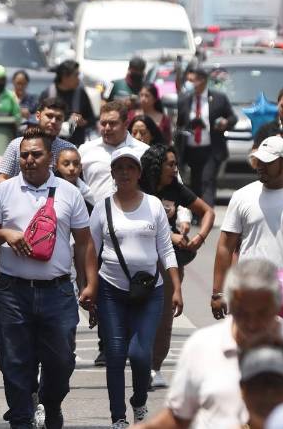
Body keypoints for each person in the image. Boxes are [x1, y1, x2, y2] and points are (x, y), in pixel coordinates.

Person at [0, 127, 98, 429]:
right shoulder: (3, 191)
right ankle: (21, 418)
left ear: (51, 158)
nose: (29, 160)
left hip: (57, 293)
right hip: (11, 293)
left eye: (36, 154)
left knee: (61, 362)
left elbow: (85, 242)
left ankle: (50, 402)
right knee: (15, 364)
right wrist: (5, 233)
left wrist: (90, 284)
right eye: (24, 155)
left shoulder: (69, 193)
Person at [133, 259, 283, 429]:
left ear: (278, 306)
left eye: (261, 313)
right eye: (242, 313)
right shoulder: (202, 346)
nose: (251, 323)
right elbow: (179, 417)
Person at [91, 147, 182, 429]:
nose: (125, 173)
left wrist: (176, 287)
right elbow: (89, 251)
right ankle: (118, 417)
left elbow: (166, 249)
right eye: (119, 168)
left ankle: (139, 400)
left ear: (139, 173)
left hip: (150, 290)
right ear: (113, 173)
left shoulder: (153, 205)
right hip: (110, 289)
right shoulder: (102, 207)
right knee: (116, 354)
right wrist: (89, 288)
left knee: (141, 354)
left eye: (130, 168)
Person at [212, 137, 283, 323]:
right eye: (258, 160)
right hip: (249, 294)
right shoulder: (242, 196)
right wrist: (217, 292)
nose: (260, 166)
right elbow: (225, 246)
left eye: (267, 162)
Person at [138, 144, 214, 389]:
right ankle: (137, 362)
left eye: (175, 164)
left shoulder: (175, 188)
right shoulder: (136, 187)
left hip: (168, 262)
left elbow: (208, 212)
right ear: (156, 166)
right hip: (136, 259)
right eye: (170, 164)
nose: (174, 169)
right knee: (136, 313)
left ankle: (154, 367)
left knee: (164, 316)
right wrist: (170, 237)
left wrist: (198, 238)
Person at [175, 66, 236, 207]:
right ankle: (198, 211)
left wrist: (225, 122)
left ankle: (207, 212)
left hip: (211, 149)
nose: (191, 82)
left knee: (207, 179)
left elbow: (233, 118)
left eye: (193, 79)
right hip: (191, 149)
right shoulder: (184, 100)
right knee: (195, 181)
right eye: (189, 79)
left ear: (202, 80)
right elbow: (179, 124)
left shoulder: (219, 98)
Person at [80, 101, 150, 207]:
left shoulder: (144, 151)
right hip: (95, 217)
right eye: (103, 123)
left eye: (112, 123)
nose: (107, 128)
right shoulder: (85, 150)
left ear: (126, 124)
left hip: (135, 218)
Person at [0, 97, 76, 183]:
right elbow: (2, 179)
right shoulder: (17, 145)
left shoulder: (68, 149)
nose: (53, 121)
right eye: (49, 116)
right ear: (38, 116)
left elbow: (76, 182)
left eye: (58, 118)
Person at [45, 60, 95, 145]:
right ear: (65, 77)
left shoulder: (81, 94)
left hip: (75, 146)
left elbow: (92, 120)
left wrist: (82, 122)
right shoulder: (48, 93)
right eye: (76, 75)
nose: (78, 79)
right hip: (51, 145)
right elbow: (37, 119)